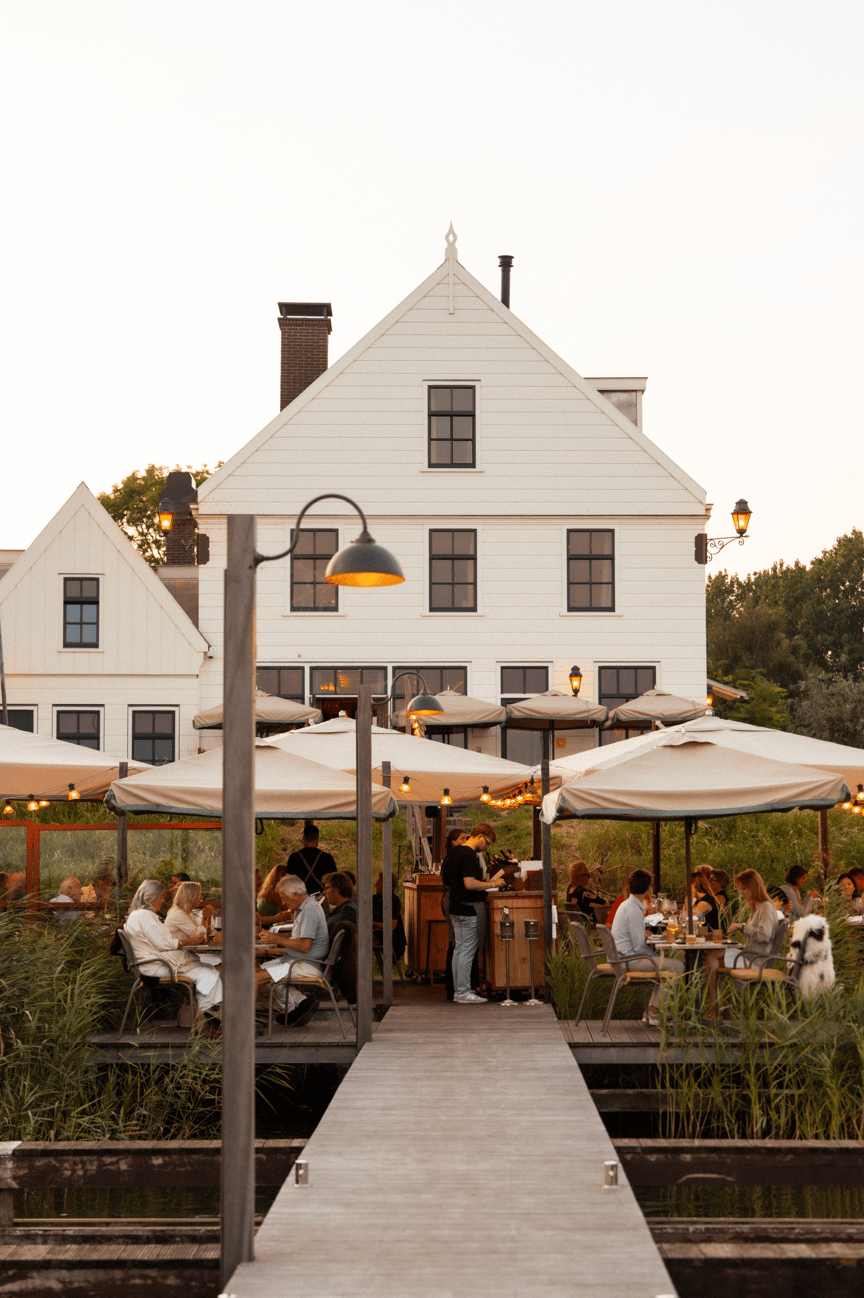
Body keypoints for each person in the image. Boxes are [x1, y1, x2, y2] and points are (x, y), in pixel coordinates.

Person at [123, 880, 223, 1027]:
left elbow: (163, 942)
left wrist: (187, 941)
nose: (163, 901)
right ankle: (206, 1021)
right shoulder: (144, 916)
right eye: (161, 897)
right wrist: (186, 942)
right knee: (208, 973)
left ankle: (207, 1019)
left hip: (151, 964)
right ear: (151, 897)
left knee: (208, 969)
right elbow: (163, 944)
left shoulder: (138, 915)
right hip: (155, 967)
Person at [610, 868, 684, 1027]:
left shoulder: (626, 905)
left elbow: (635, 937)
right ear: (648, 889)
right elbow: (638, 947)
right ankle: (654, 1011)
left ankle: (654, 1010)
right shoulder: (634, 910)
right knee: (677, 966)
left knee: (666, 966)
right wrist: (656, 955)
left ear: (629, 887)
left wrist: (650, 939)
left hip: (622, 956)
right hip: (629, 960)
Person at [702, 868, 780, 1019]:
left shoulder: (765, 907)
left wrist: (742, 927)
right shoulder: (757, 907)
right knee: (711, 956)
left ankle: (717, 1008)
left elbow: (765, 935)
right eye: (740, 889)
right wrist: (741, 929)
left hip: (756, 960)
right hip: (749, 955)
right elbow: (757, 932)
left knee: (711, 962)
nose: (741, 893)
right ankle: (718, 1005)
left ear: (753, 887)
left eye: (743, 889)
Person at [257, 875, 329, 1026]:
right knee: (258, 971)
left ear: (296, 895)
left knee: (255, 978)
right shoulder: (303, 908)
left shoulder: (310, 911)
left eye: (284, 898)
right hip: (296, 962)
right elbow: (297, 935)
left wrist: (276, 939)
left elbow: (304, 945)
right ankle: (298, 1006)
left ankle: (242, 1024)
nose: (283, 903)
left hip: (306, 964)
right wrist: (274, 936)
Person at [446, 825, 505, 1004]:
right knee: (467, 950)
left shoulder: (454, 853)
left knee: (459, 949)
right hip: (469, 908)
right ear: (479, 836)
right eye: (487, 843)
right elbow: (470, 884)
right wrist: (492, 884)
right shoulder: (470, 855)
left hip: (454, 907)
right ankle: (464, 992)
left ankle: (458, 990)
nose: (486, 847)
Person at [440, 828, 468, 1000]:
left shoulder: (450, 859)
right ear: (453, 842)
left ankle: (453, 986)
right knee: (456, 942)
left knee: (456, 942)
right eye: (462, 839)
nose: (465, 841)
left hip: (449, 899)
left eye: (466, 838)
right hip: (452, 899)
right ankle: (454, 985)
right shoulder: (455, 859)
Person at [286, 821, 336, 897]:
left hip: (301, 899)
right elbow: (334, 881)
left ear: (303, 838)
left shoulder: (294, 857)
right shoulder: (327, 858)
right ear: (318, 838)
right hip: (321, 899)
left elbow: (287, 880)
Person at [373, 870, 407, 963]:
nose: (375, 884)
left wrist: (371, 923)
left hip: (392, 939)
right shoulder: (375, 898)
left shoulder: (394, 901)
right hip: (376, 934)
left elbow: (391, 926)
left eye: (378, 882)